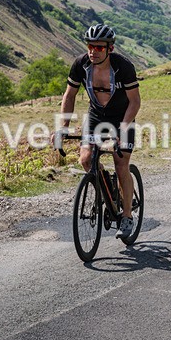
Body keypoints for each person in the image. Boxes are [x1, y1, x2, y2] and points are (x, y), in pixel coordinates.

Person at [57, 24, 141, 240]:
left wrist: (122, 129)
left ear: (110, 49)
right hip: (96, 116)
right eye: (90, 46)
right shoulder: (81, 64)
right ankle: (107, 188)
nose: (93, 51)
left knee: (121, 163)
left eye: (99, 48)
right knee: (86, 160)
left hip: (122, 117)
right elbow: (69, 95)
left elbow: (135, 101)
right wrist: (63, 127)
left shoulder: (124, 67)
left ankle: (127, 216)